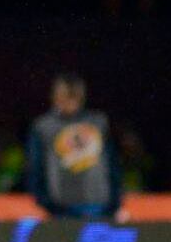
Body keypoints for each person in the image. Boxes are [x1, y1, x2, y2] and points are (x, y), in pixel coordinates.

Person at [27, 74, 121, 218]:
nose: (68, 101)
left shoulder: (98, 122)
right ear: (54, 97)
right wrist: (46, 202)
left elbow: (112, 163)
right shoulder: (43, 127)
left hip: (98, 203)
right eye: (64, 96)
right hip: (61, 206)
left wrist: (114, 201)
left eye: (73, 96)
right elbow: (35, 167)